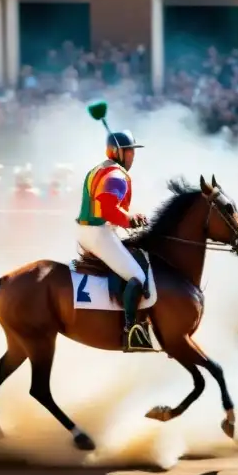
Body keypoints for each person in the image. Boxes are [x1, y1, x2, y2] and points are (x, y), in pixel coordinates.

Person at [75, 128, 151, 353]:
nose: (133, 156)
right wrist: (129, 220)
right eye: (130, 152)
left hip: (87, 231)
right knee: (137, 276)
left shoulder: (100, 168)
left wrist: (131, 217)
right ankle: (131, 330)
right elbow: (108, 209)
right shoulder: (117, 175)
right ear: (118, 151)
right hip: (100, 234)